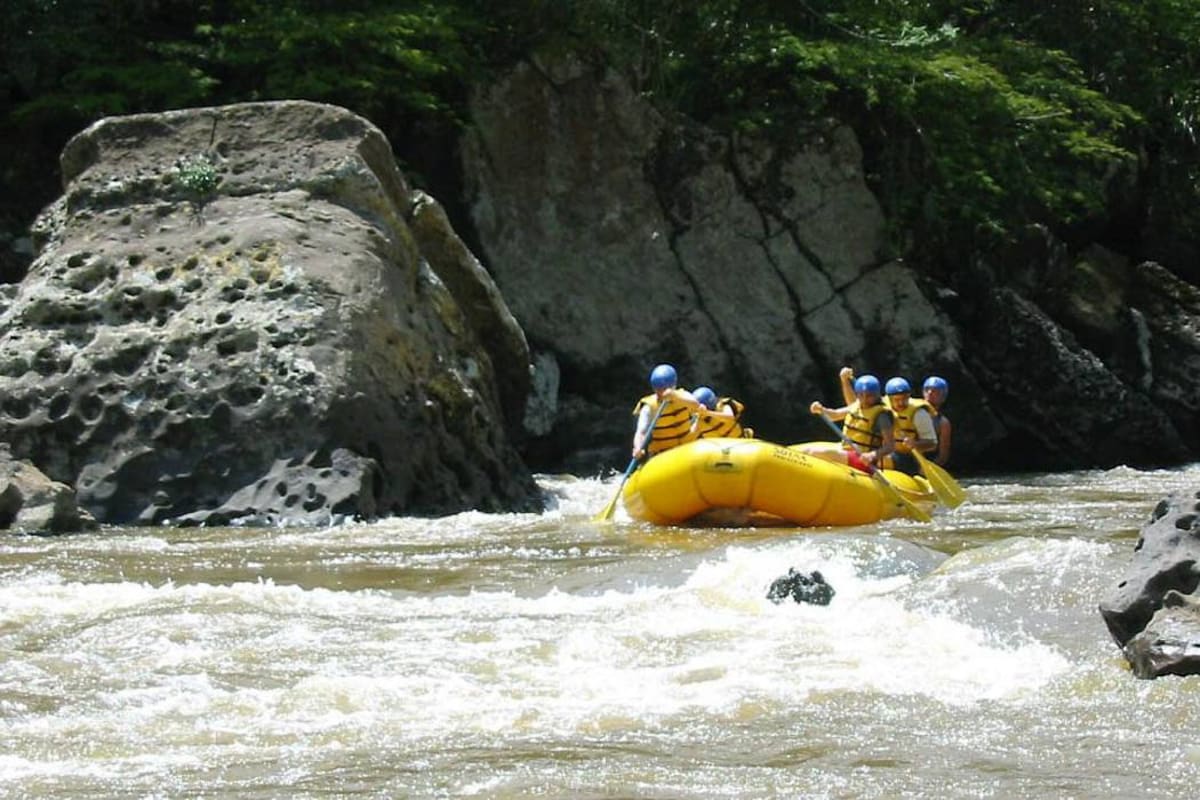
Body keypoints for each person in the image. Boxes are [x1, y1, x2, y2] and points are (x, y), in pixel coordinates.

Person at [808, 374, 895, 472]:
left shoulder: (881, 416)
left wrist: (872, 455)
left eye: (869, 395)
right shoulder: (856, 406)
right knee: (806, 452)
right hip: (846, 452)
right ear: (857, 394)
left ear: (877, 394)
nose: (865, 399)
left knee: (816, 452)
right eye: (861, 395)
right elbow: (835, 415)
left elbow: (890, 446)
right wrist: (821, 410)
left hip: (863, 460)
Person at [632, 364, 701, 459]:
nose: (661, 393)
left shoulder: (683, 396)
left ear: (673, 386)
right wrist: (638, 447)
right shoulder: (649, 407)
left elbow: (696, 406)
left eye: (663, 389)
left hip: (686, 450)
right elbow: (641, 432)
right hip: (662, 455)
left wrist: (675, 396)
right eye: (658, 389)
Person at [882, 377, 938, 476]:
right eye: (897, 400)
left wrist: (915, 444)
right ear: (889, 399)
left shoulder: (919, 414)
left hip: (910, 458)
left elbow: (932, 443)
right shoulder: (881, 406)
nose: (901, 403)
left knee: (883, 459)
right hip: (885, 452)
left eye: (904, 399)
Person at [922, 375, 952, 465]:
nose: (930, 393)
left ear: (942, 396)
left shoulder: (943, 423)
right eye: (927, 389)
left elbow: (943, 455)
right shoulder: (910, 412)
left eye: (935, 391)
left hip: (927, 462)